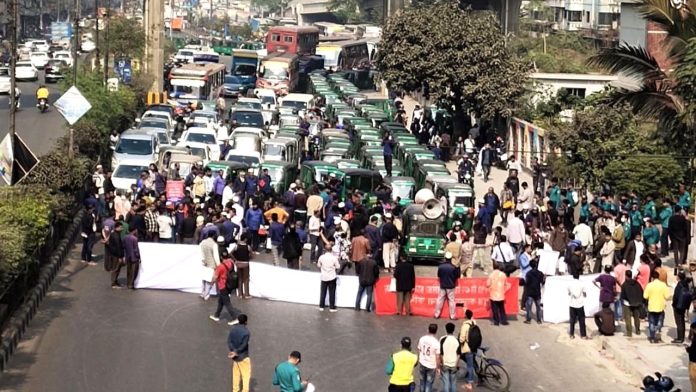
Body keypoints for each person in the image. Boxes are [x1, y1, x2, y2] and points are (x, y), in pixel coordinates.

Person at [210, 251, 240, 324]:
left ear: (221, 257)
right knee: (221, 301)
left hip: (223, 286)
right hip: (229, 285)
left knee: (227, 303)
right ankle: (216, 315)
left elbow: (215, 277)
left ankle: (235, 318)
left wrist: (211, 283)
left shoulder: (220, 266)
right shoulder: (231, 262)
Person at [644, 271, 671, 343]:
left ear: (652, 277)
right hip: (660, 307)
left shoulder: (649, 285)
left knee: (651, 322)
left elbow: (645, 296)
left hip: (651, 307)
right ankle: (657, 331)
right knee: (659, 322)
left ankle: (652, 337)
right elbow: (667, 296)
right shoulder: (663, 285)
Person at [228, 314, 250, 392]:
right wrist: (236, 352)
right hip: (243, 356)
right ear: (246, 322)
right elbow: (244, 345)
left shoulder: (233, 330)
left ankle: (235, 390)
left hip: (235, 358)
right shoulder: (246, 332)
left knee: (236, 375)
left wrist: (233, 351)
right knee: (246, 375)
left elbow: (229, 342)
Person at [434, 253, 459, 320]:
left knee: (439, 300)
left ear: (445, 258)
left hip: (442, 285)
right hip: (451, 286)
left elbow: (439, 275)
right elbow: (456, 276)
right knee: (452, 301)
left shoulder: (440, 266)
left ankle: (436, 314)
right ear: (451, 259)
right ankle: (452, 316)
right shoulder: (453, 267)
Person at [416, 324, 440, 392]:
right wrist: (438, 368)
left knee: (422, 380)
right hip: (431, 365)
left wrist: (419, 359)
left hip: (422, 362)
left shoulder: (422, 339)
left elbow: (419, 350)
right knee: (429, 383)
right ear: (436, 331)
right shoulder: (436, 342)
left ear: (428, 330)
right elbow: (437, 357)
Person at [317, 242, 340, 312]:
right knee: (332, 292)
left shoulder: (321, 257)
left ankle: (321, 306)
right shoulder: (334, 258)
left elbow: (318, 265)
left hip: (324, 277)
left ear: (325, 249)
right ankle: (332, 307)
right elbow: (338, 266)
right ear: (331, 250)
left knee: (323, 292)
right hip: (332, 277)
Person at [458, 309, 477, 390]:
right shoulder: (474, 322)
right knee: (472, 362)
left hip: (467, 348)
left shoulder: (465, 326)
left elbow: (462, 339)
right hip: (474, 346)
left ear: (465, 316)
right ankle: (475, 374)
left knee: (469, 366)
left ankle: (470, 383)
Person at [621, 270, 643, 337]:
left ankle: (629, 332)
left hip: (627, 303)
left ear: (626, 276)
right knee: (636, 317)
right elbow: (641, 291)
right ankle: (638, 330)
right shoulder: (637, 283)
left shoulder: (624, 285)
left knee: (628, 318)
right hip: (636, 303)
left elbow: (623, 295)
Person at [568, 272, 590, 339]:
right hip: (580, 304)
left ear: (573, 276)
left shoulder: (570, 284)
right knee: (582, 320)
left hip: (572, 304)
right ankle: (583, 335)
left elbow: (568, 293)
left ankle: (571, 334)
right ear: (579, 276)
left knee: (572, 320)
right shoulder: (582, 284)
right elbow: (584, 294)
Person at [672, 272, 692, 343]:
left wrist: (674, 304)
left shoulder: (679, 285)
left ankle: (680, 338)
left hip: (678, 306)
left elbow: (676, 296)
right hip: (683, 305)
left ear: (679, 277)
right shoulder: (685, 284)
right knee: (682, 321)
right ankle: (682, 336)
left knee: (679, 322)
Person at [200, 231, 220, 300]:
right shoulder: (214, 244)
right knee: (210, 280)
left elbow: (201, 253)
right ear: (214, 236)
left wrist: (203, 260)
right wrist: (219, 265)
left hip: (204, 263)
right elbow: (216, 256)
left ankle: (202, 293)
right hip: (211, 264)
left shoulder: (202, 242)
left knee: (204, 279)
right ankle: (206, 295)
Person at [439, 322, 459, 392]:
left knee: (446, 383)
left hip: (445, 364)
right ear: (453, 330)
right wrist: (457, 364)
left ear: (446, 329)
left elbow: (441, 353)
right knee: (453, 383)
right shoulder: (457, 340)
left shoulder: (442, 339)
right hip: (454, 364)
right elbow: (459, 354)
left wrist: (442, 363)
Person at [524, 260, 545, 324]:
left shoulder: (528, 273)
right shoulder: (540, 273)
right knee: (538, 307)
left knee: (529, 307)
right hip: (537, 292)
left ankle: (528, 319)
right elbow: (542, 282)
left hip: (530, 292)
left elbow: (526, 283)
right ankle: (539, 320)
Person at [233, 234, 252, 299]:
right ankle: (246, 294)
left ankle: (240, 294)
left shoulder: (236, 246)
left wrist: (235, 259)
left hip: (238, 263)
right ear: (245, 239)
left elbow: (230, 253)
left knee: (240, 279)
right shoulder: (247, 247)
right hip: (245, 264)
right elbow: (251, 254)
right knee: (246, 279)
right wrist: (249, 257)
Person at [123, 225, 141, 290]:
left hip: (128, 256)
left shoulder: (125, 237)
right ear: (134, 230)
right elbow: (136, 249)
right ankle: (131, 284)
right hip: (134, 257)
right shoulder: (134, 239)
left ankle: (128, 283)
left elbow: (124, 247)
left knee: (129, 270)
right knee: (134, 271)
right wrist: (139, 256)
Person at [685, 323, 696, 392]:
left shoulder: (695, 341)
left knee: (694, 381)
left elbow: (693, 351)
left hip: (694, 363)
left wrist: (688, 349)